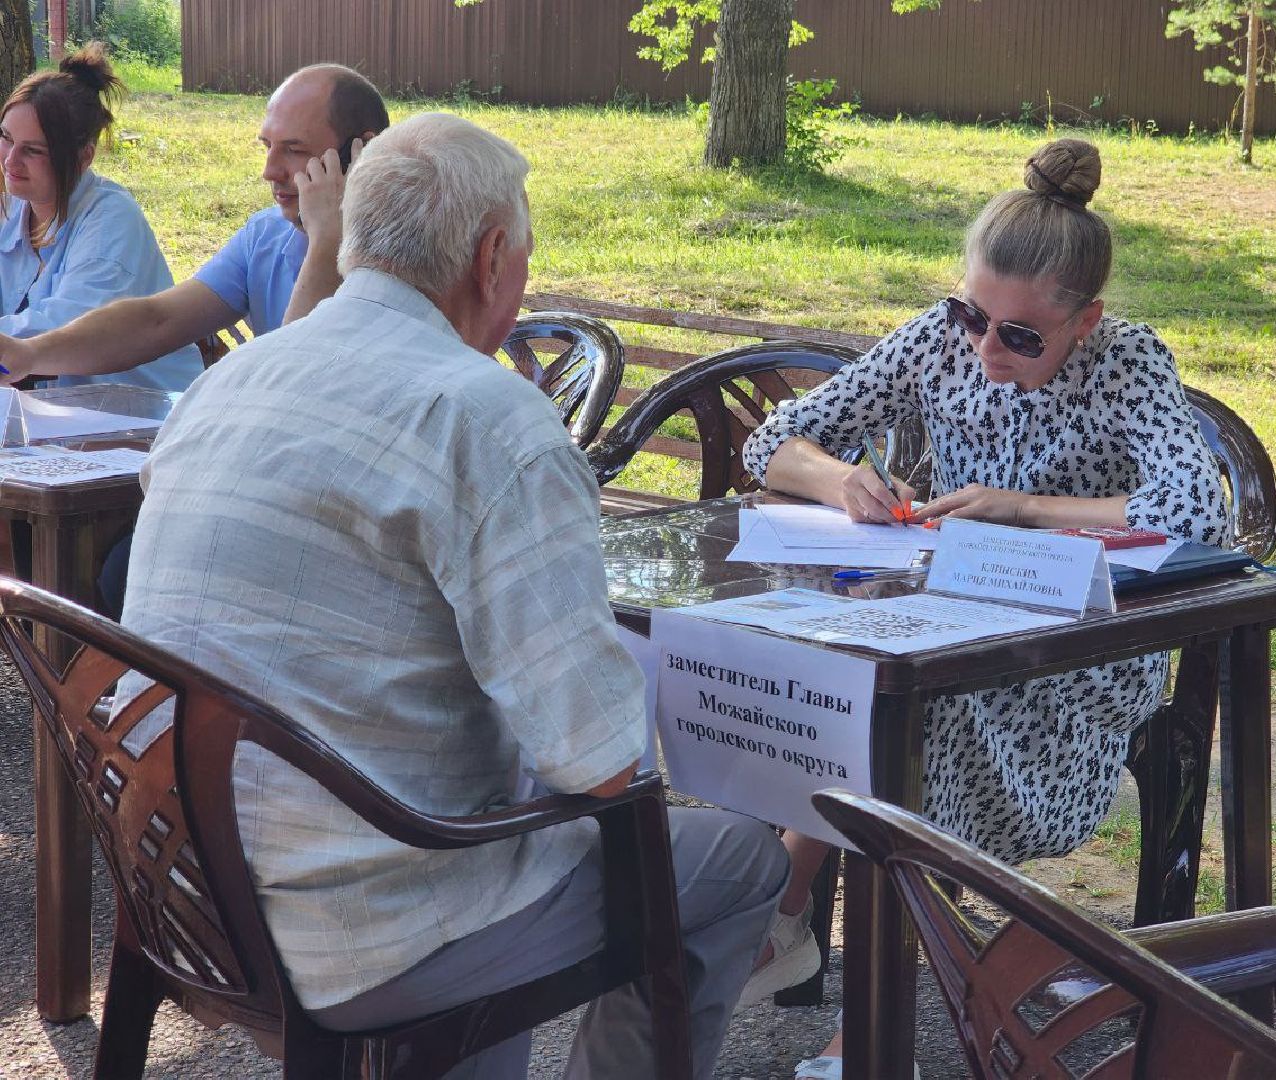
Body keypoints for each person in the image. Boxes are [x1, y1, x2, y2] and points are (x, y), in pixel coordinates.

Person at [118, 112, 788, 1080]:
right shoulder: (489, 418)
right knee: (737, 862)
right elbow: (601, 765)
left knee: (486, 805)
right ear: (491, 257)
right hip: (353, 937)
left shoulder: (234, 381)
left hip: (176, 882)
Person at [739, 138, 1230, 1079]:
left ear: (1086, 320)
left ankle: (841, 1004)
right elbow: (777, 442)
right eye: (974, 315)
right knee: (847, 687)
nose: (985, 349)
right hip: (949, 618)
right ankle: (800, 934)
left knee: (915, 714)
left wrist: (1025, 509)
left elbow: (1193, 511)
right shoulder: (940, 336)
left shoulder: (1127, 360)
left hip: (1082, 647)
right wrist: (843, 481)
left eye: (1022, 336)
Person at [0, 61, 389, 386]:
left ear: (363, 153)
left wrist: (327, 241)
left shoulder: (405, 254)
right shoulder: (265, 236)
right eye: (268, 147)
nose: (269, 171)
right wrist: (29, 353)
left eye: (294, 150)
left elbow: (294, 381)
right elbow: (158, 321)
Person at [0, 43, 200, 391]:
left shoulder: (111, 221)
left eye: (33, 150)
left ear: (83, 157)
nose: (10, 160)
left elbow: (64, 329)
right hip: (59, 411)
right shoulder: (15, 203)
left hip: (139, 412)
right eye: (5, 137)